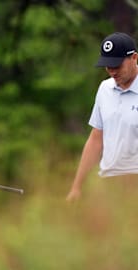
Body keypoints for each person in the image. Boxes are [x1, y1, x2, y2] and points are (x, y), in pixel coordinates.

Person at [66, 32, 138, 201]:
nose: (112, 71)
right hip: (109, 181)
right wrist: (77, 187)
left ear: (134, 58)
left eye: (117, 65)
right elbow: (96, 140)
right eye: (108, 66)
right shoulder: (105, 89)